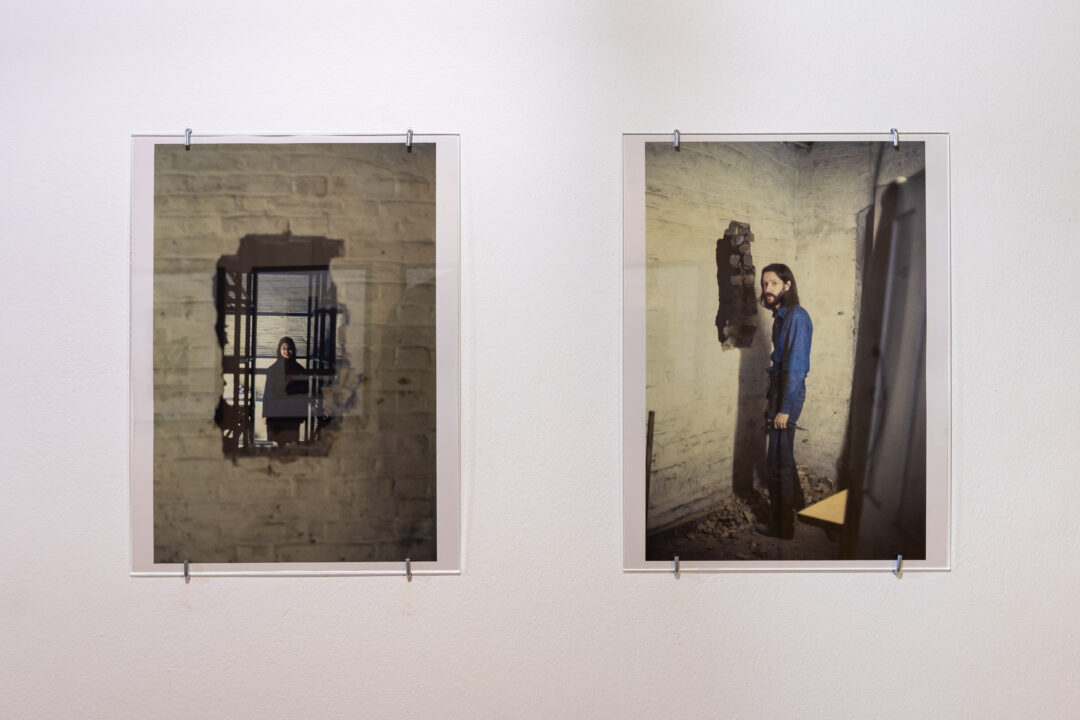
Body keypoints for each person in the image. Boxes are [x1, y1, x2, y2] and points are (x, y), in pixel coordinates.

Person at [759, 263, 812, 539]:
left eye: (774, 284)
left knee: (777, 460)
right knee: (783, 452)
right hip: (780, 392)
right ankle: (800, 506)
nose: (767, 289)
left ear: (787, 286)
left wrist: (784, 409)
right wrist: (771, 400)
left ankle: (783, 526)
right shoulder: (780, 317)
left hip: (789, 393)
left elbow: (796, 369)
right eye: (765, 284)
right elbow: (777, 365)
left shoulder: (796, 318)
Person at [263, 336, 309, 446]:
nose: (286, 351)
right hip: (276, 411)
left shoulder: (300, 369)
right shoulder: (272, 369)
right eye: (284, 348)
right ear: (279, 349)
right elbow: (267, 393)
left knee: (292, 441)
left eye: (289, 348)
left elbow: (304, 393)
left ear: (293, 350)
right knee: (279, 441)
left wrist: (303, 413)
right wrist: (264, 414)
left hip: (292, 411)